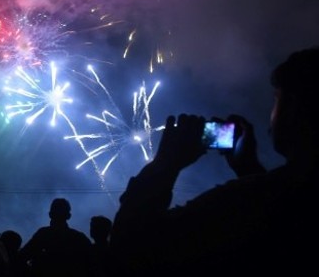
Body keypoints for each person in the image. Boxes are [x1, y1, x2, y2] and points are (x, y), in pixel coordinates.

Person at [110, 46, 319, 276]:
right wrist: (247, 168)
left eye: (277, 99)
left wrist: (166, 162)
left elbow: (131, 251)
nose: (272, 113)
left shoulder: (249, 199)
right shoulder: (279, 196)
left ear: (294, 108)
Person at [18, 198, 93, 277]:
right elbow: (92, 264)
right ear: (68, 216)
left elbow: (22, 257)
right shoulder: (79, 238)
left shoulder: (42, 235)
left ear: (50, 214)